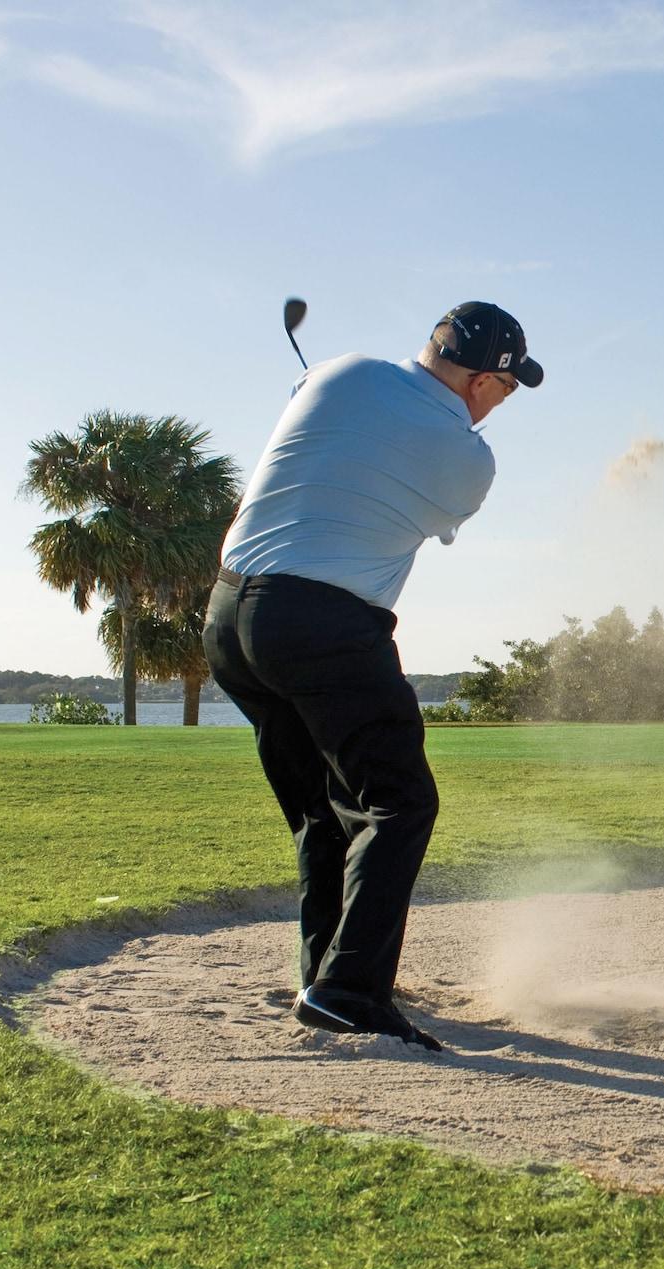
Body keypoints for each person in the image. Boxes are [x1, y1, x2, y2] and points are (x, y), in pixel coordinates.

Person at [204, 301, 542, 1051]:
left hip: (228, 616)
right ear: (486, 381)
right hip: (321, 623)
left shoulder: (339, 371)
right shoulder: (467, 459)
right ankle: (351, 991)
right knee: (398, 801)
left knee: (326, 810)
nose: (502, 406)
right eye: (509, 391)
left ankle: (322, 976)